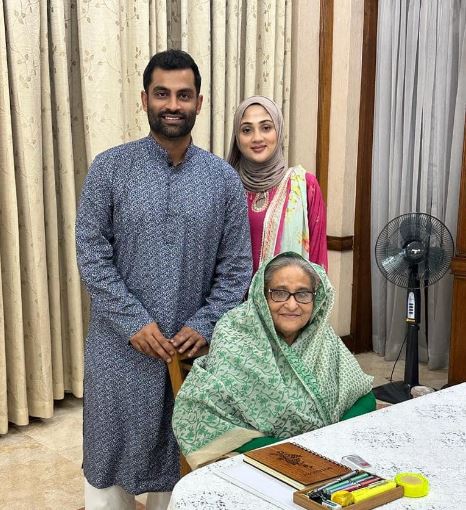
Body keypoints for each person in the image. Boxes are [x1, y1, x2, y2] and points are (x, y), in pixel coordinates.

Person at [75, 49, 252, 510]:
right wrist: (133, 322)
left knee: (181, 474)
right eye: (162, 94)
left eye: (183, 95)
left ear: (199, 103)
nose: (173, 104)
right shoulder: (109, 168)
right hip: (118, 351)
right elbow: (92, 255)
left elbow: (236, 268)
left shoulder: (223, 180)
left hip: (190, 355)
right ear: (144, 99)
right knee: (108, 472)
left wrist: (206, 323)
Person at [172, 252, 374, 469]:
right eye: (279, 293)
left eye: (303, 294)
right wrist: (295, 452)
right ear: (261, 296)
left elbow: (362, 394)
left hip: (326, 454)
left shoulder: (320, 335)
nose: (292, 305)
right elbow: (218, 420)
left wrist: (330, 440)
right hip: (257, 462)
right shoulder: (234, 333)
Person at [227, 96, 328, 274]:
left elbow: (317, 263)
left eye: (266, 127)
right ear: (237, 137)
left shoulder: (304, 186)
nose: (257, 138)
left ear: (279, 131)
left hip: (286, 300)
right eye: (246, 130)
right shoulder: (226, 187)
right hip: (232, 300)